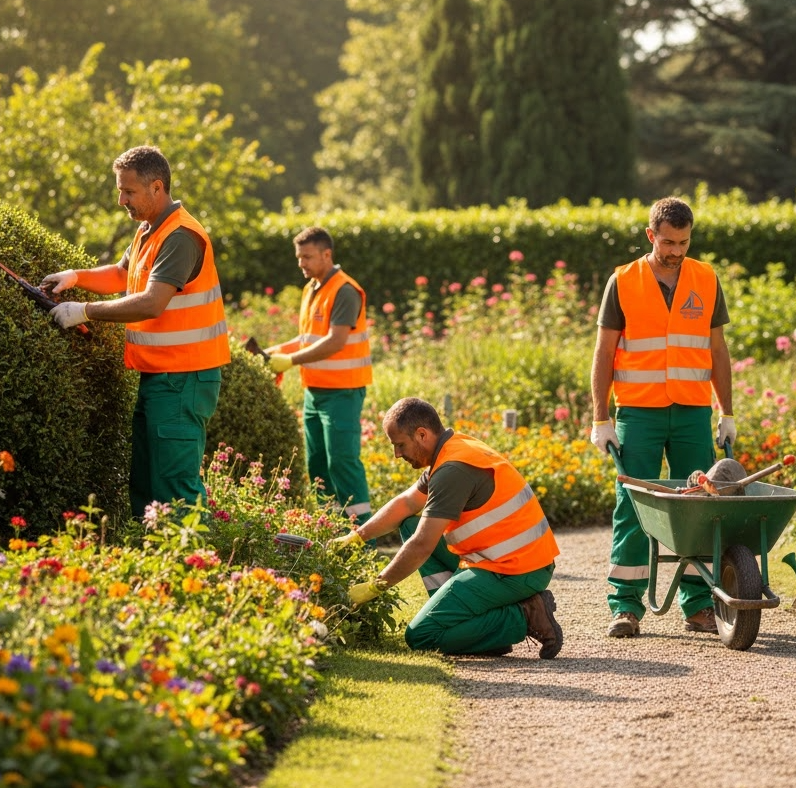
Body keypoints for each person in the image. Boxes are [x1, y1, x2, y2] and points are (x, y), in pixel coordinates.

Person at [40, 145, 230, 520]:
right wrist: (76, 277)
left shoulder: (180, 236)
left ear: (157, 188)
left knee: (175, 487)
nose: (120, 200)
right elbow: (121, 274)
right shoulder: (149, 230)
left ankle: (195, 571)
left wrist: (83, 312)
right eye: (120, 190)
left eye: (128, 191)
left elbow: (151, 302)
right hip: (161, 375)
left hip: (183, 378)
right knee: (146, 483)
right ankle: (155, 564)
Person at [590, 196, 734, 638]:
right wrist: (600, 418)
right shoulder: (622, 281)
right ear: (651, 235)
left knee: (700, 506)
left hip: (691, 410)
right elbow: (604, 352)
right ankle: (625, 606)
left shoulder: (706, 279)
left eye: (684, 242)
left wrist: (727, 412)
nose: (676, 250)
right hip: (638, 411)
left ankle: (697, 606)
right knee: (632, 505)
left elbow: (717, 351)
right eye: (668, 242)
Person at [334, 397, 563, 659]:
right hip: (505, 560)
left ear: (422, 434)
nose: (397, 454)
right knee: (410, 524)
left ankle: (526, 614)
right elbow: (407, 503)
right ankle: (475, 631)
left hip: (516, 569)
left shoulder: (454, 470)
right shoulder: (452, 450)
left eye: (400, 445)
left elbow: (422, 546)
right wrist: (356, 537)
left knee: (422, 635)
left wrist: (375, 587)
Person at [264, 227, 373, 527]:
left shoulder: (345, 290)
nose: (302, 263)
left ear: (327, 254)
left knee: (342, 463)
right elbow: (306, 339)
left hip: (343, 392)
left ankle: (363, 536)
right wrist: (273, 352)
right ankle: (331, 530)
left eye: (308, 257)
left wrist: (290, 361)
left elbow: (336, 341)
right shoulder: (312, 288)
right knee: (318, 465)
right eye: (299, 258)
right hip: (314, 392)